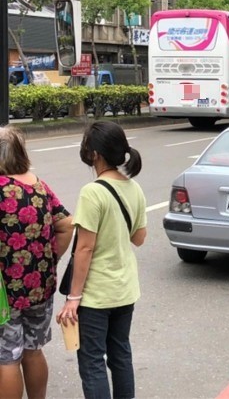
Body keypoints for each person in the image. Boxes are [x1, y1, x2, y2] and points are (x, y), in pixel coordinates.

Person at [56, 121, 147, 399]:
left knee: (92, 360)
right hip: (125, 289)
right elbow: (139, 238)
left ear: (94, 153)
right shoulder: (134, 188)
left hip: (96, 296)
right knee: (120, 355)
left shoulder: (92, 192)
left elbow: (84, 249)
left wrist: (73, 297)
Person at [0, 126, 73, 399]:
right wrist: (51, 258)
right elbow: (66, 224)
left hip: (4, 292)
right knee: (33, 350)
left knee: (7, 357)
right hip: (39, 285)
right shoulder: (38, 184)